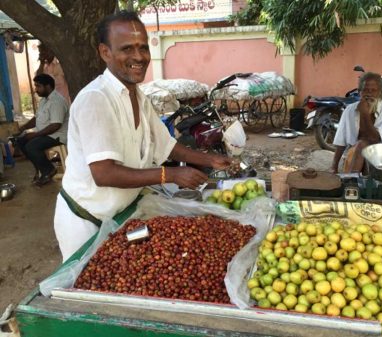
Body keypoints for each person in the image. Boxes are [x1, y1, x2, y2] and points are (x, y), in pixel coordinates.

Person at [53, 11, 233, 262]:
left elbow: (166, 146)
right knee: (90, 291)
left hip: (121, 216)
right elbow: (104, 173)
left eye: (143, 47)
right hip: (86, 222)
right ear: (105, 52)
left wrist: (209, 160)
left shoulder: (138, 96)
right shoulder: (96, 100)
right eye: (127, 49)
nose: (139, 57)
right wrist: (169, 175)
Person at [331, 72, 382, 173]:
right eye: (365, 90)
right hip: (354, 155)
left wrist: (364, 114)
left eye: (373, 91)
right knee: (361, 144)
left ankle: (351, 180)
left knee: (363, 143)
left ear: (380, 92)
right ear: (360, 92)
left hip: (381, 156)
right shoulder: (350, 110)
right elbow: (341, 140)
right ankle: (352, 180)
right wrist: (334, 166)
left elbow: (374, 139)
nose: (369, 94)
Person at [16, 74, 69, 186]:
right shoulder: (45, 100)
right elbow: (37, 118)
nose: (36, 89)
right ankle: (40, 169)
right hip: (46, 133)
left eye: (38, 86)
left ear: (48, 86)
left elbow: (56, 125)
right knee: (21, 140)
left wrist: (35, 135)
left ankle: (48, 170)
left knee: (31, 145)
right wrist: (23, 128)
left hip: (57, 135)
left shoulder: (56, 101)